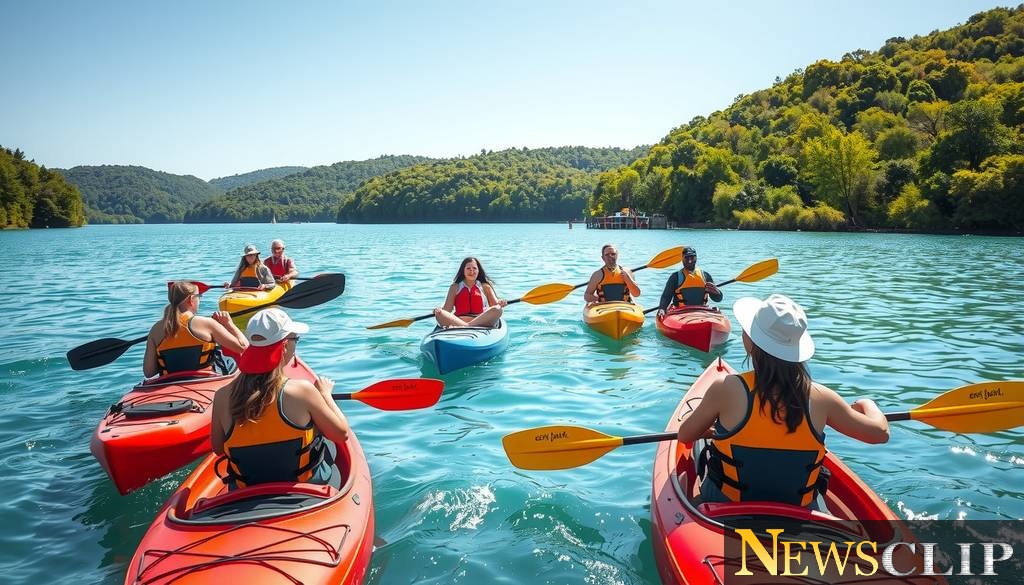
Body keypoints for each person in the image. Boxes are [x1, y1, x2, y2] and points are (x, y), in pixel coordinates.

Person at [676, 294, 889, 508]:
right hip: (797, 509)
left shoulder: (725, 387)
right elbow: (880, 434)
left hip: (727, 504)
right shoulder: (823, 398)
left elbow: (685, 435)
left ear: (751, 343)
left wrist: (712, 432)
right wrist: (867, 403)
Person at [210, 308, 350, 488]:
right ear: (284, 346)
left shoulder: (222, 396)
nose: (296, 345)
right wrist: (325, 395)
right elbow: (341, 434)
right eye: (295, 339)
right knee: (328, 445)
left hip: (247, 489)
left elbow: (218, 448)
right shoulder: (302, 391)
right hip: (302, 487)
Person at [143, 281, 248, 378]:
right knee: (226, 359)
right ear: (191, 299)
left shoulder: (155, 330)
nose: (199, 300)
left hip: (168, 382)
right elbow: (244, 348)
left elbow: (149, 372)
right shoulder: (207, 324)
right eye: (199, 297)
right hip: (204, 380)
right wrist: (229, 324)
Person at [433, 257, 507, 328]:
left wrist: (501, 302)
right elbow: (447, 309)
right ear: (463, 271)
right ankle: (467, 326)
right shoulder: (455, 287)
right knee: (439, 313)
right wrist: (439, 310)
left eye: (474, 268)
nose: (471, 271)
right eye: (468, 268)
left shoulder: (485, 287)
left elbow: (495, 304)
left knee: (498, 309)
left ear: (478, 270)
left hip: (481, 321)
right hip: (459, 321)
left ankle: (466, 326)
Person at [656, 246, 722, 318]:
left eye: (692, 257)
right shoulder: (675, 277)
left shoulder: (706, 276)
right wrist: (662, 308)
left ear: (696, 258)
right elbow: (666, 296)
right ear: (682, 258)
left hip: (702, 311)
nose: (689, 260)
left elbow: (717, 299)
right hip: (680, 312)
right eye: (686, 258)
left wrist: (717, 293)